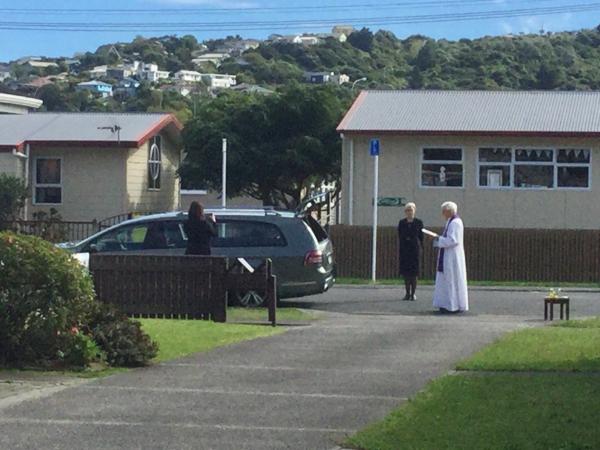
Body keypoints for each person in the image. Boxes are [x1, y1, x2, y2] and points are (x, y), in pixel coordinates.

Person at [432, 201, 469, 313]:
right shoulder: (450, 221)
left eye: (444, 211)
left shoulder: (455, 223)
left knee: (451, 280)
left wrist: (439, 240)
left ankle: (453, 305)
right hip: (448, 254)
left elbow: (453, 240)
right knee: (445, 280)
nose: (442, 214)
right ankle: (445, 303)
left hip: (452, 256)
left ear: (449, 211)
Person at [397, 202, 424, 301]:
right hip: (405, 250)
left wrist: (420, 247)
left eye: (411, 210)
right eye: (407, 210)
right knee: (406, 273)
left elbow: (421, 237)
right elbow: (400, 235)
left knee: (414, 273)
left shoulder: (418, 222)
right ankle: (407, 293)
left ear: (414, 211)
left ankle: (413, 294)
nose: (409, 212)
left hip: (414, 250)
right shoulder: (402, 223)